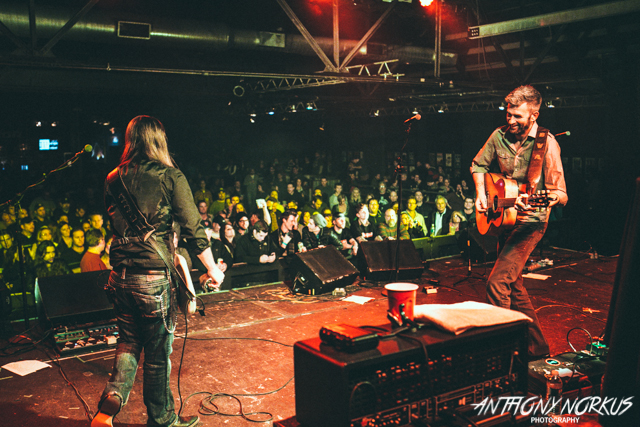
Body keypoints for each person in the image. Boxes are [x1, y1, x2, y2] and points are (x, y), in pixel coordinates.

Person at [93, 115, 224, 427]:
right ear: (159, 140)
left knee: (128, 341)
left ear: (130, 140)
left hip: (119, 277)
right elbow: (194, 227)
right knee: (156, 354)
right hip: (152, 279)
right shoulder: (170, 176)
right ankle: (162, 418)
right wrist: (212, 269)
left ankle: (112, 399)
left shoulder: (112, 178)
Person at [471, 85, 567, 359]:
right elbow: (478, 165)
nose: (510, 120)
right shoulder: (498, 136)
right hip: (504, 218)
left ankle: (503, 351)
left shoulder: (547, 144)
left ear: (534, 115)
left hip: (531, 221)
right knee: (514, 286)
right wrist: (481, 194)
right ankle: (537, 347)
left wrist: (544, 199)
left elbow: (560, 194)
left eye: (517, 116)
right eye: (508, 114)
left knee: (497, 283)